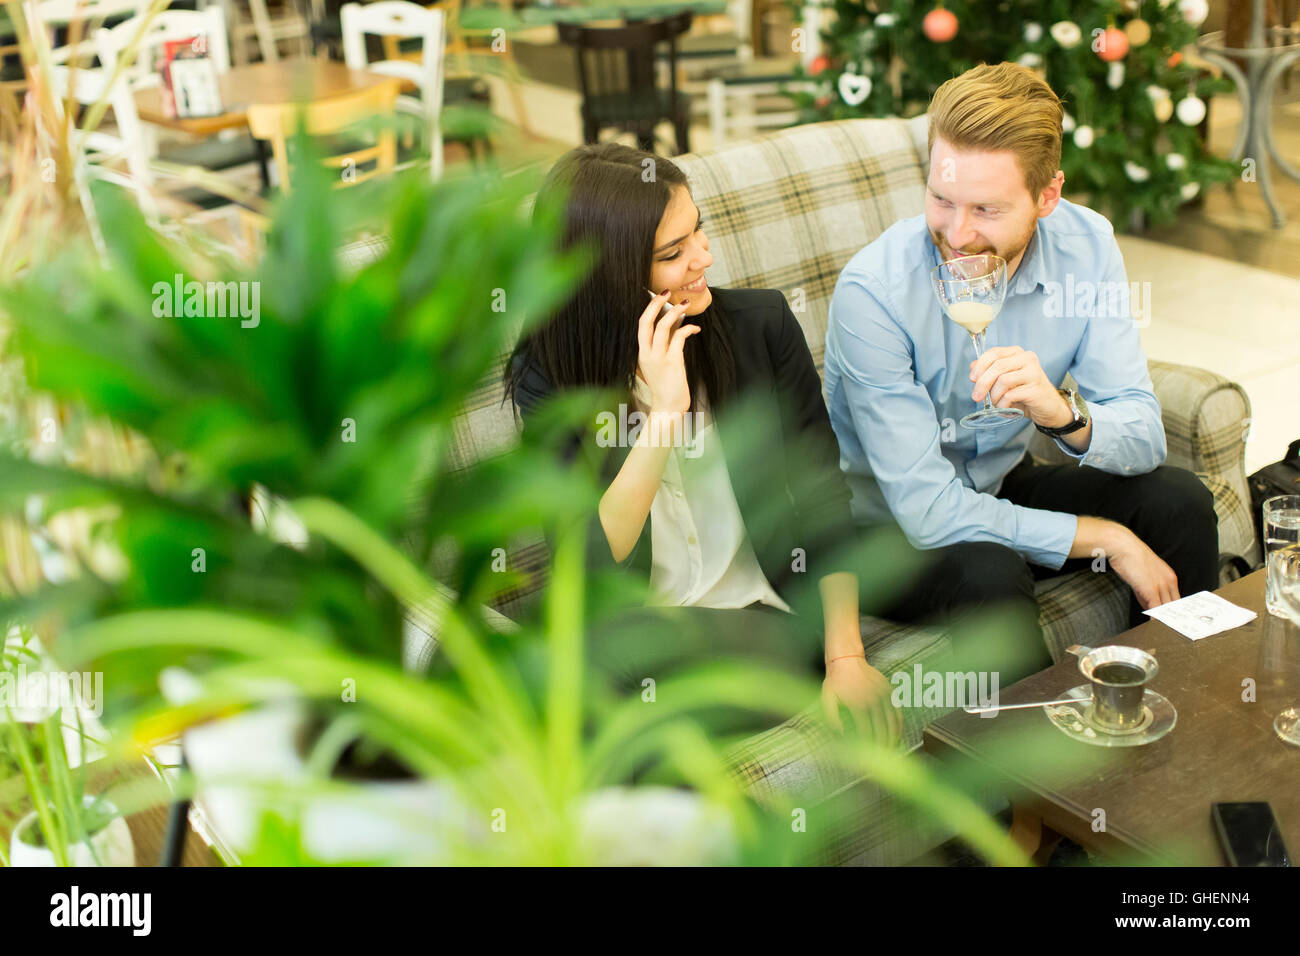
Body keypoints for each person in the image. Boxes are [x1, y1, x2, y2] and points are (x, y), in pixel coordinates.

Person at [823, 62, 1219, 672]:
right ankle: (1037, 766)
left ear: (1047, 196)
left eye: (986, 209)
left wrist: (1063, 415)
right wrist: (1107, 538)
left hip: (1001, 484)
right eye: (941, 199)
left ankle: (1188, 709)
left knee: (1179, 502)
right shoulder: (873, 293)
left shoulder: (1087, 248)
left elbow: (1142, 437)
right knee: (988, 567)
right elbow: (929, 515)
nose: (957, 233)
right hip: (890, 537)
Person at [505, 142, 902, 744]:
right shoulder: (549, 377)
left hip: (764, 621)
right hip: (633, 633)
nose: (704, 258)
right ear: (605, 278)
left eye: (699, 234)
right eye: (673, 252)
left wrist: (845, 659)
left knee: (591, 673)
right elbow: (586, 562)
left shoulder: (761, 328)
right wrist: (663, 417)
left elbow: (823, 497)